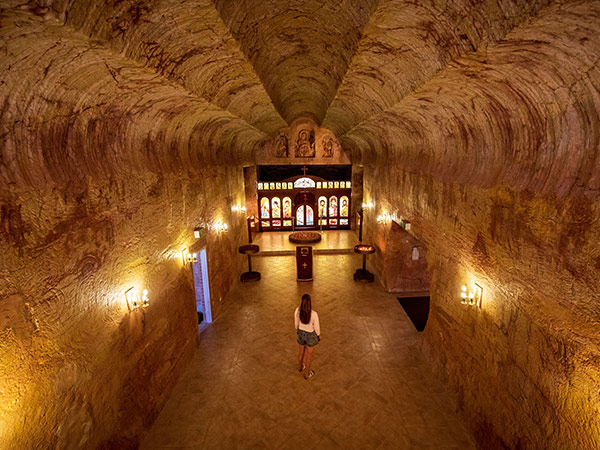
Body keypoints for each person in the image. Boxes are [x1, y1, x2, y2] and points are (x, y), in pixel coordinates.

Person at [295, 293, 320, 379]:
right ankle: (307, 374)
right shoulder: (314, 314)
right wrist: (318, 335)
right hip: (311, 335)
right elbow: (316, 328)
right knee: (308, 356)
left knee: (301, 352)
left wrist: (297, 329)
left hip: (301, 333)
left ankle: (300, 367)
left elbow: (296, 324)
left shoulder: (297, 311)